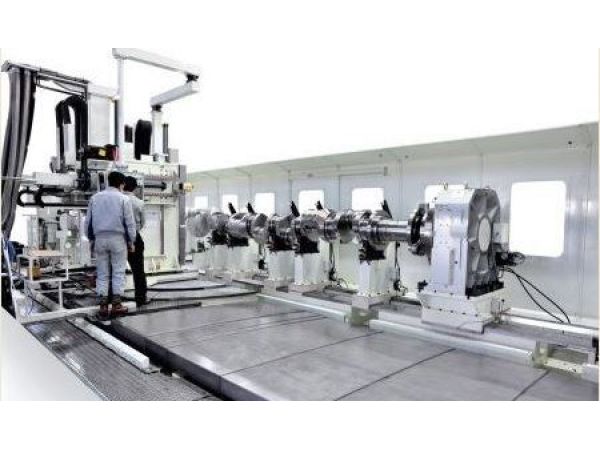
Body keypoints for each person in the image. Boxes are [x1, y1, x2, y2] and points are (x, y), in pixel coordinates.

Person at [85, 171, 136, 320]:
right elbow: (130, 223)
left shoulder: (95, 198)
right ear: (122, 184)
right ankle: (116, 305)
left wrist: (91, 239)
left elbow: (88, 222)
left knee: (102, 272)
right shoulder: (124, 199)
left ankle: (103, 306)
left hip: (100, 239)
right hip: (118, 239)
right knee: (118, 271)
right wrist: (131, 241)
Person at [123, 176, 148, 306]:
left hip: (118, 238)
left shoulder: (117, 201)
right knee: (138, 271)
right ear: (135, 188)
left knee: (114, 270)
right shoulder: (139, 203)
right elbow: (143, 223)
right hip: (135, 238)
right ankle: (141, 298)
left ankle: (113, 300)